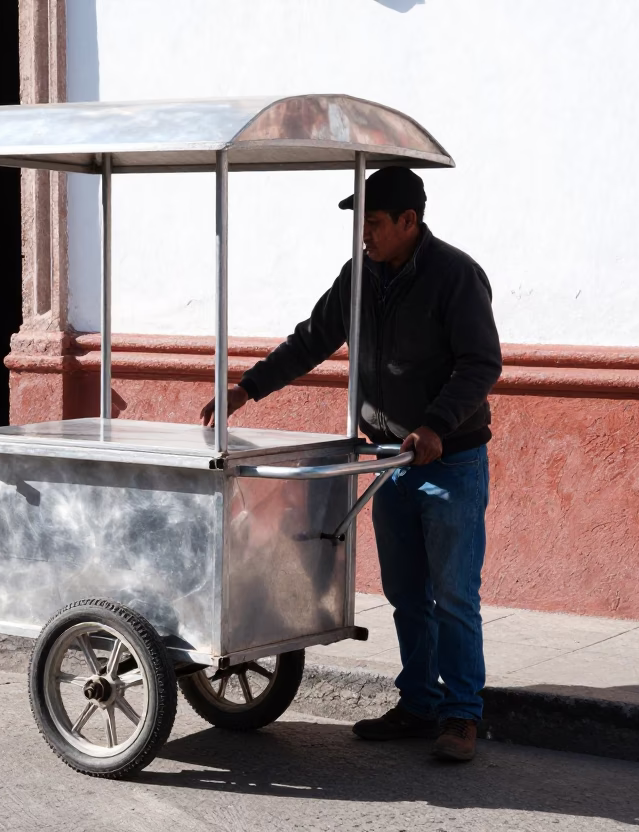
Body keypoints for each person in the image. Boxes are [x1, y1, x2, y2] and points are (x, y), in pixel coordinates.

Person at [200, 166, 501, 762]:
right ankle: (418, 704)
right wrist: (248, 388)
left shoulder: (456, 276)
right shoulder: (358, 276)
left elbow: (480, 363)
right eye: (359, 222)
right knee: (405, 594)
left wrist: (436, 425)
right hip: (388, 462)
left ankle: (462, 714)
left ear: (409, 222)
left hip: (450, 463)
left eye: (373, 222)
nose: (363, 233)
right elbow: (312, 338)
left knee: (455, 596)